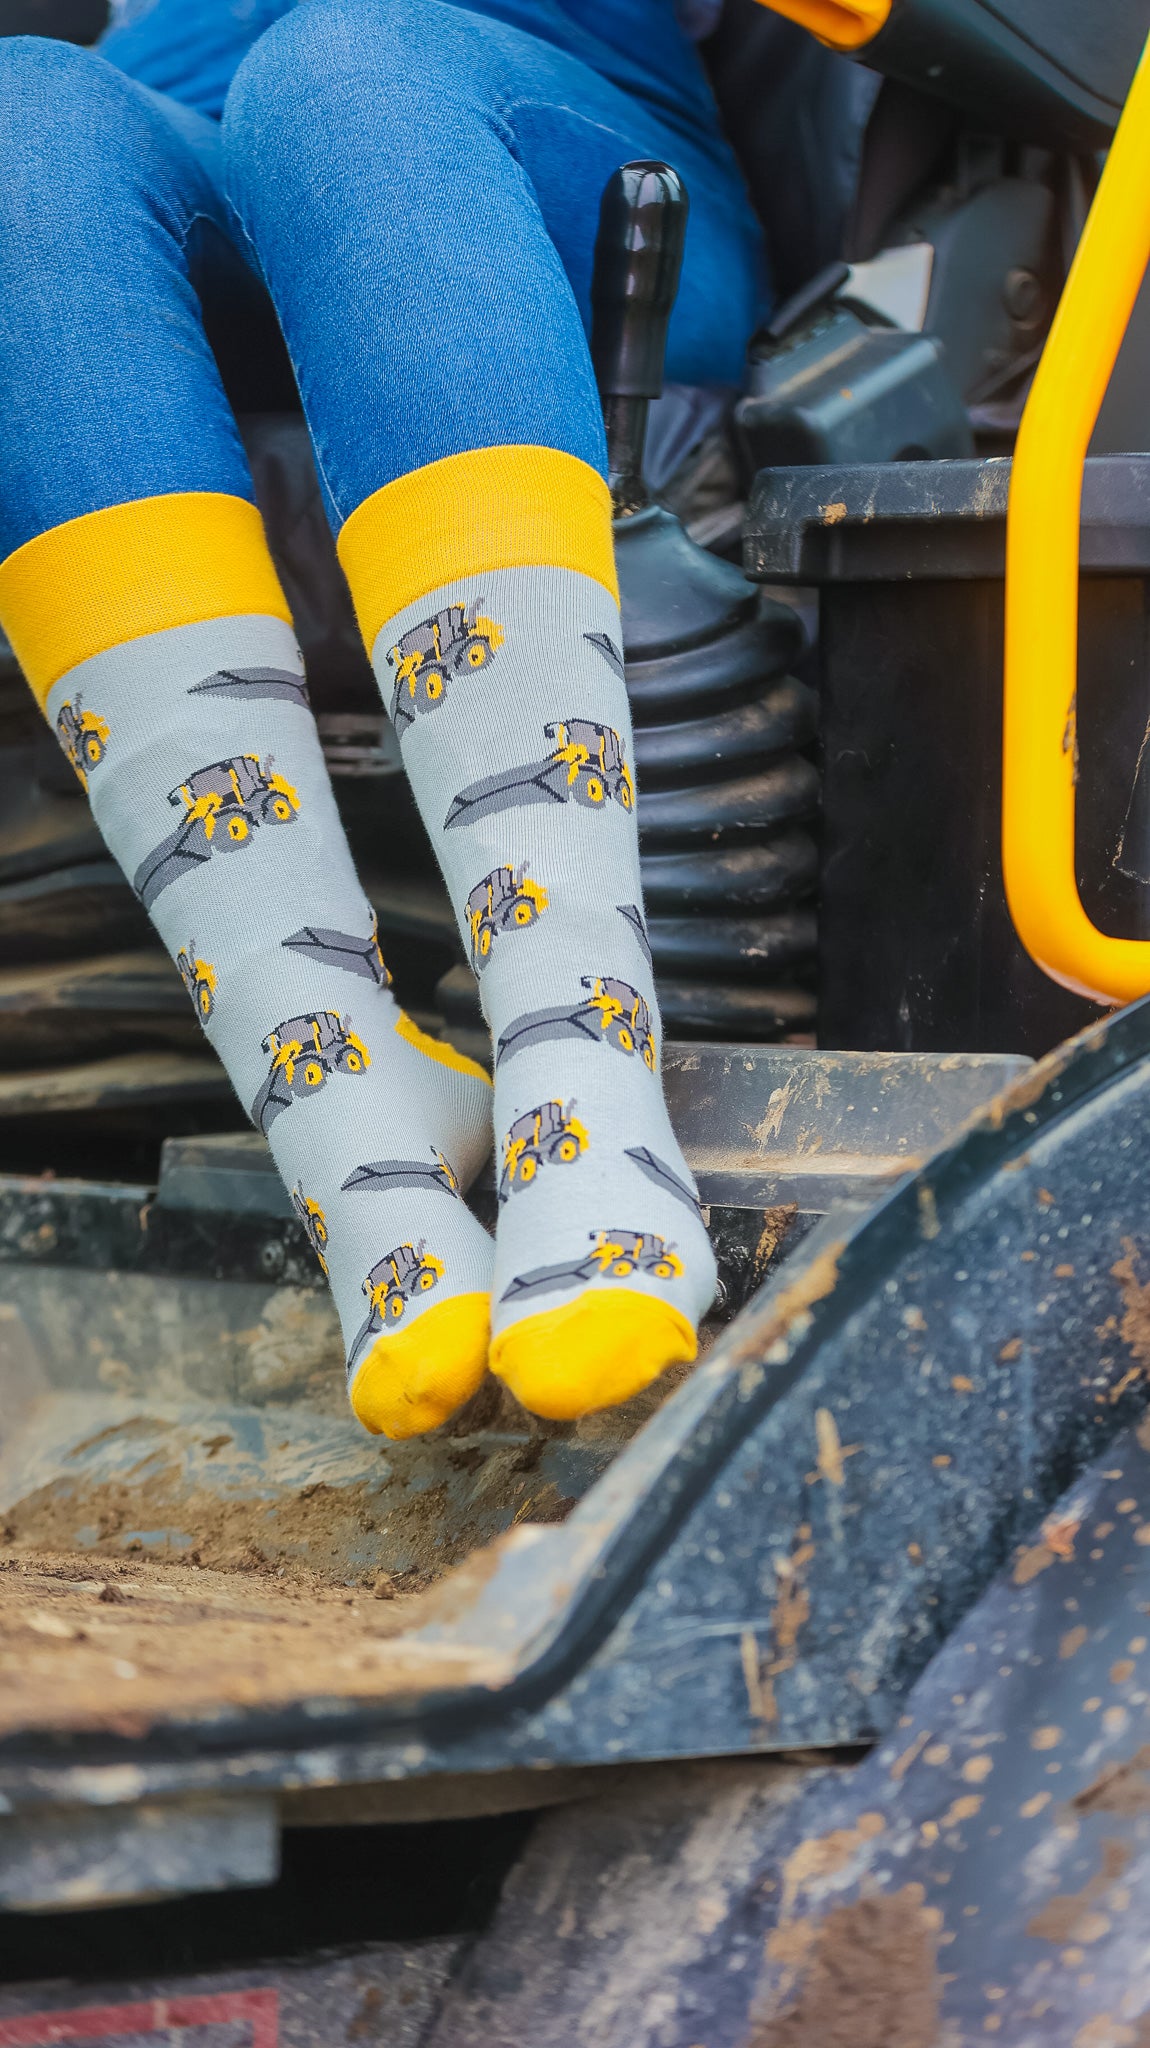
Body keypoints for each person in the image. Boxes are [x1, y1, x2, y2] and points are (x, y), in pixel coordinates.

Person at [0, 0, 810, 1440]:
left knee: (344, 72)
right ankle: (351, 1115)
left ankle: (580, 1071)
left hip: (524, 116)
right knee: (18, 129)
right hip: (179, 117)